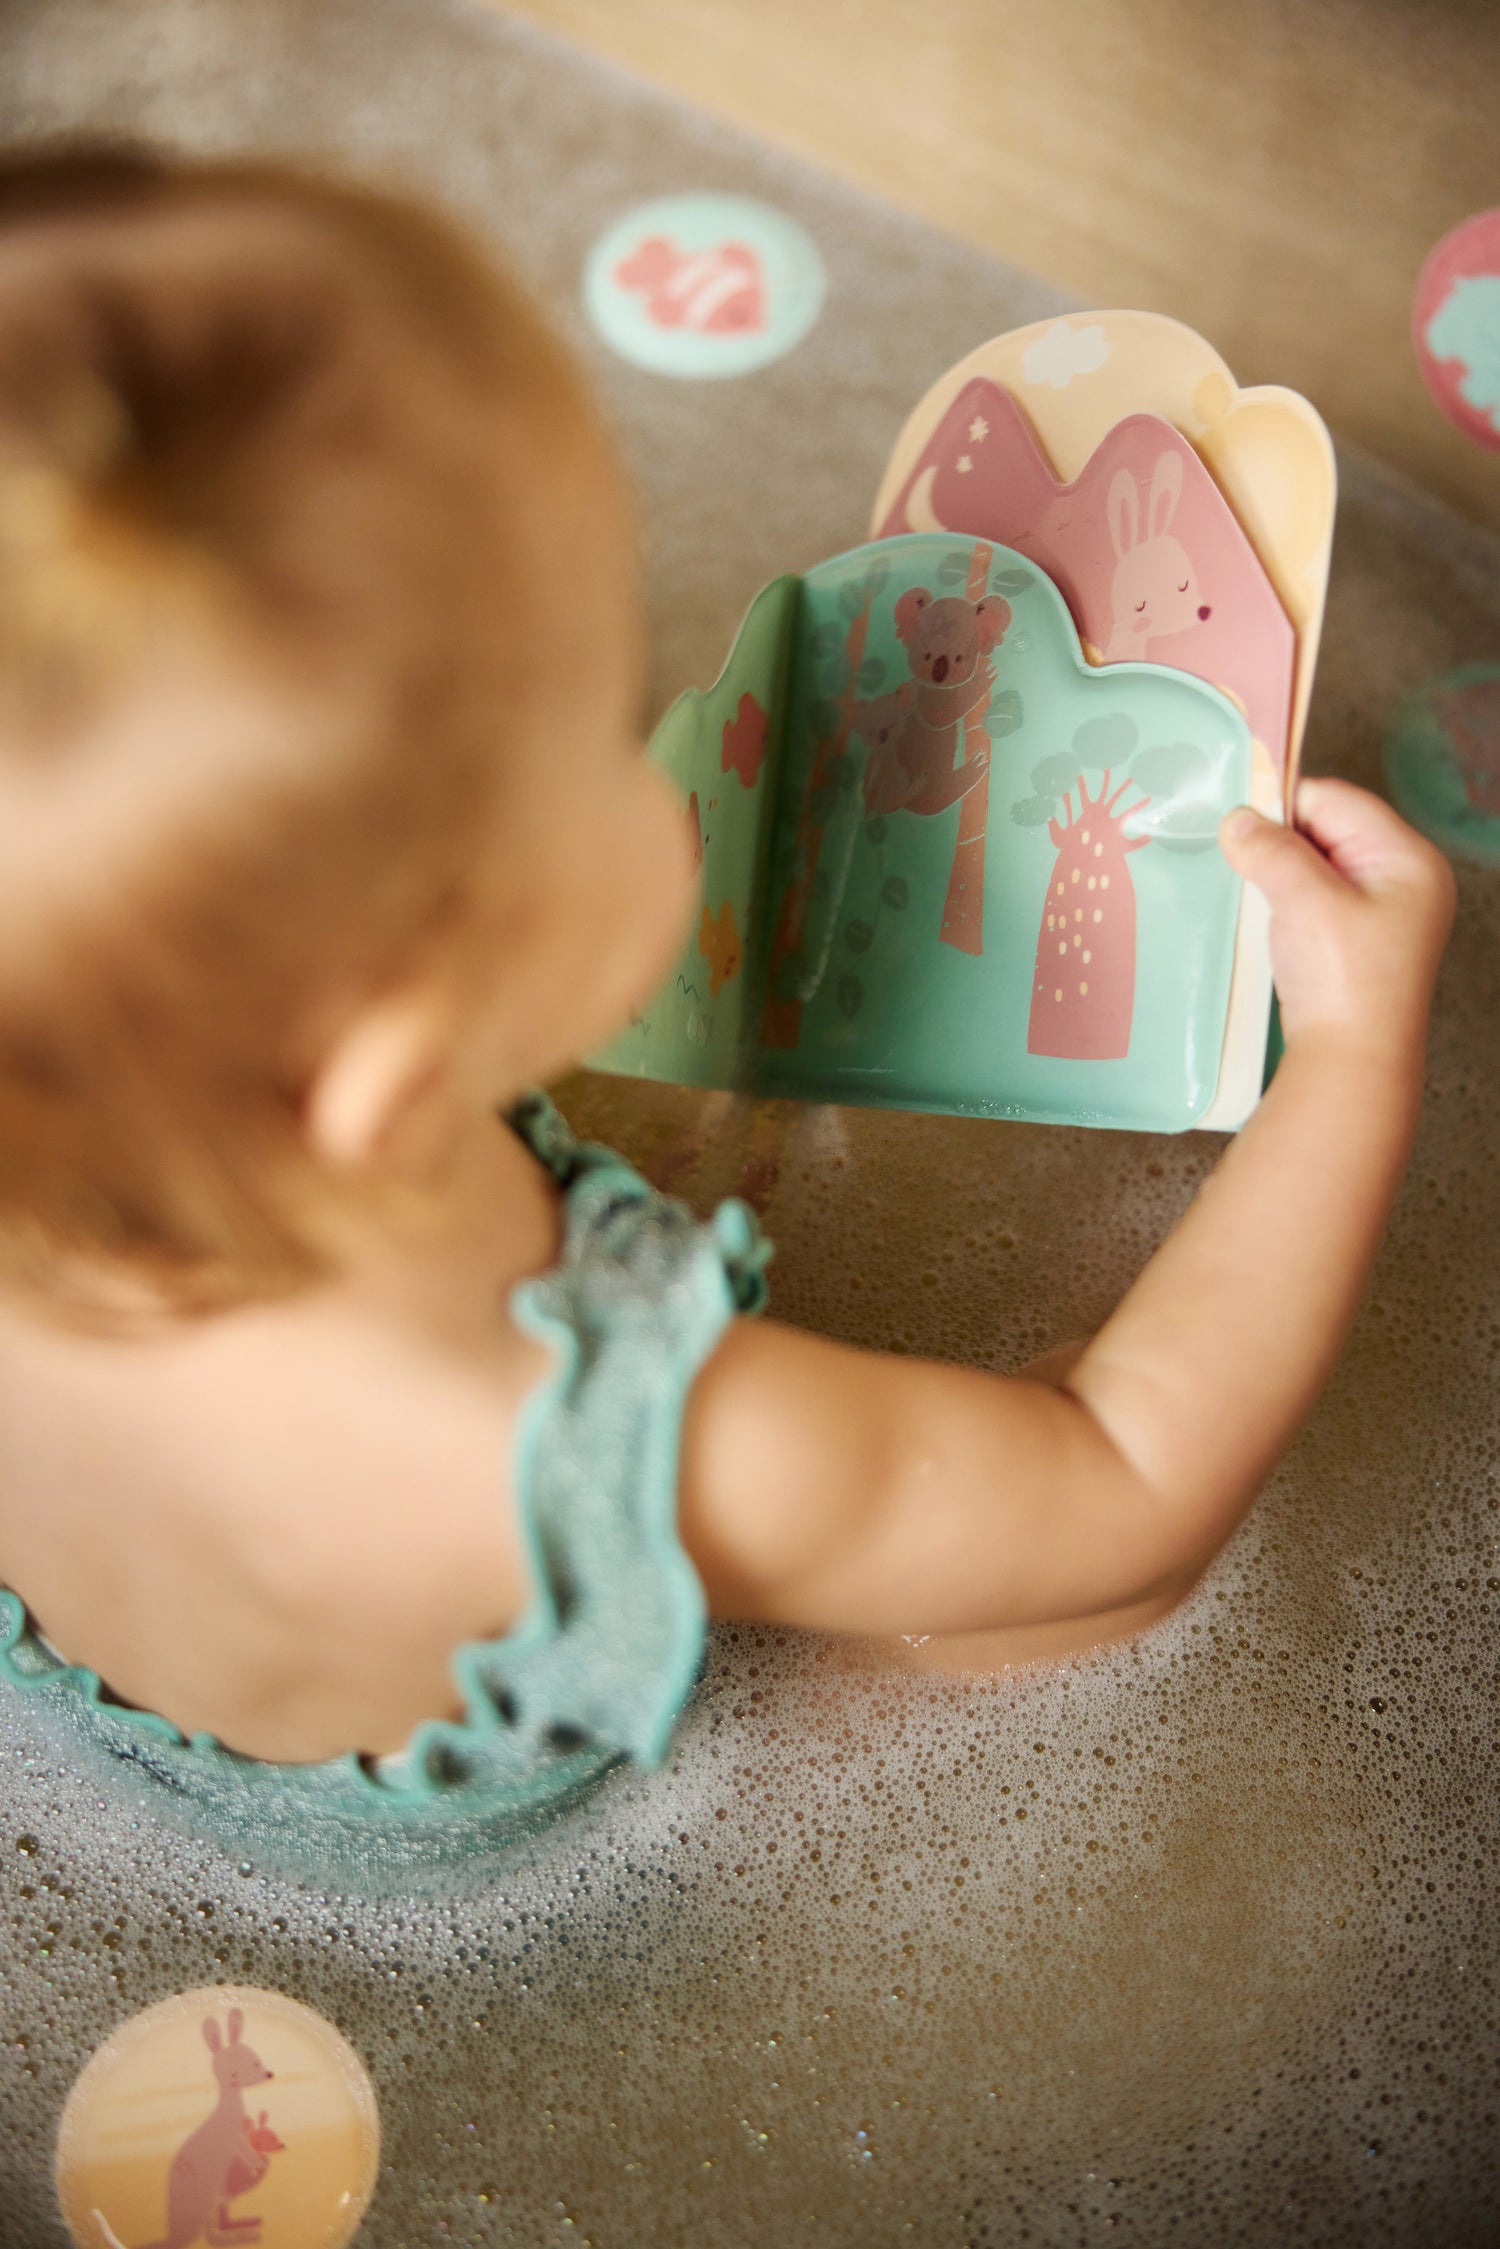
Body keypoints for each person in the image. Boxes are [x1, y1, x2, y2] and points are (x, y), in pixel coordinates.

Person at [0, 144, 1454, 1862]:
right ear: (393, 1070)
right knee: (1076, 1598)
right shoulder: (611, 1437)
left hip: (142, 1668)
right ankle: (802, 1741)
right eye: (601, 728)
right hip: (485, 1833)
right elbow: (1130, 1484)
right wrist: (1352, 1052)